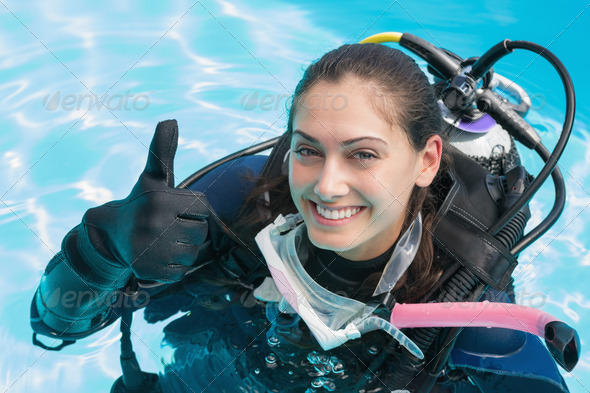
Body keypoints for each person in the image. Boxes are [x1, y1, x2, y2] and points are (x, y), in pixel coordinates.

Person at [30, 43, 571, 392]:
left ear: (427, 160)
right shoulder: (239, 202)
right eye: (309, 150)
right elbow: (53, 328)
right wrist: (99, 252)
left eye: (363, 154)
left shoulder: (465, 311)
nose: (326, 184)